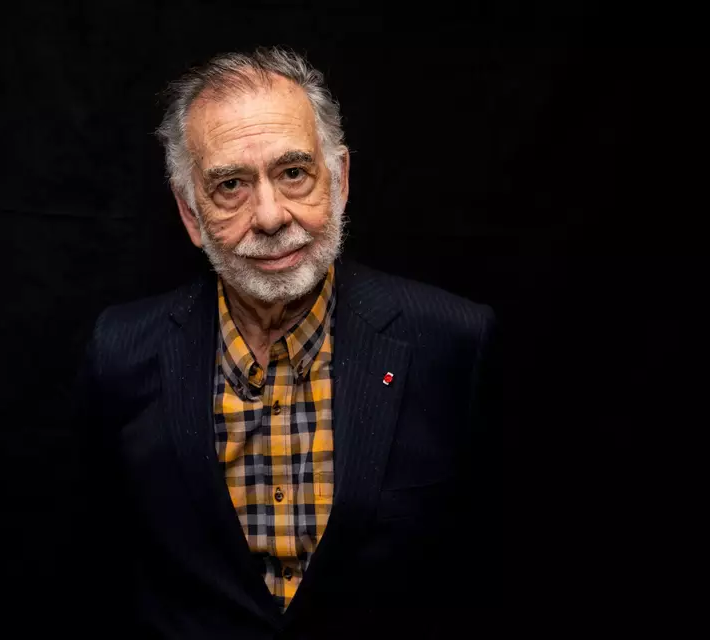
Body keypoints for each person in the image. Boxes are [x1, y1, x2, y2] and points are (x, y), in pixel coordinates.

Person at [74, 47, 500, 639]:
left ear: (340, 180)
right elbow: (98, 571)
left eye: (294, 173)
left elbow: (484, 571)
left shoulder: (451, 341)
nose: (271, 217)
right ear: (191, 213)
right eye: (230, 185)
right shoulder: (121, 351)